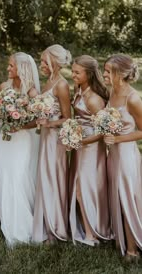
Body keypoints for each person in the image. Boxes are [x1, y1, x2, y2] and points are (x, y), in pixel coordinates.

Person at [0, 52, 40, 246]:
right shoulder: (3, 87)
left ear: (21, 68)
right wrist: (3, 118)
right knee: (5, 176)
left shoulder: (31, 92)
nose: (8, 69)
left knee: (19, 177)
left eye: (11, 66)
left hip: (21, 139)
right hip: (3, 139)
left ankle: (22, 225)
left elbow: (38, 120)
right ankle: (7, 219)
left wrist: (20, 125)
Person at [103, 54, 142, 260]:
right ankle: (122, 238)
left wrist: (117, 140)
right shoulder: (113, 92)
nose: (104, 74)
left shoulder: (133, 98)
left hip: (126, 155)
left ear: (120, 74)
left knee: (128, 198)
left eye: (108, 71)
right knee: (118, 196)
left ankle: (133, 250)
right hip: (113, 155)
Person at [69, 55, 111, 246]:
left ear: (89, 74)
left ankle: (92, 234)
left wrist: (81, 141)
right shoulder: (79, 90)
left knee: (84, 190)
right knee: (79, 188)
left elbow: (104, 132)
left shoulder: (94, 99)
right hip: (81, 146)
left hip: (92, 148)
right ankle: (89, 228)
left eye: (77, 72)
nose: (73, 75)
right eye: (73, 71)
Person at [33, 44, 71, 243]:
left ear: (54, 62)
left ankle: (55, 230)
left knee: (52, 179)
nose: (41, 65)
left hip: (55, 140)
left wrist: (50, 123)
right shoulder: (49, 81)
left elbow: (67, 118)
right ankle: (45, 223)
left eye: (44, 61)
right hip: (45, 137)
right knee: (44, 177)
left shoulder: (62, 85)